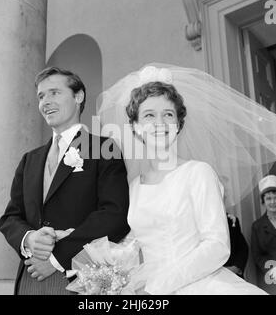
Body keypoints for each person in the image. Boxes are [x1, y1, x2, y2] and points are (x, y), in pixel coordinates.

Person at [97, 64, 276, 294]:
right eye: (149, 115)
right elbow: (136, 242)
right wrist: (105, 270)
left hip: (197, 285)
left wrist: (157, 287)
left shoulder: (199, 173)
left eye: (168, 115)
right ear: (135, 127)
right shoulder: (134, 186)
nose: (159, 123)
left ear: (179, 124)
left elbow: (217, 246)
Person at [0, 67, 130, 295]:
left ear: (78, 97)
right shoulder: (30, 159)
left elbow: (114, 216)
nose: (46, 102)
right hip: (31, 276)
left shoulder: (103, 149)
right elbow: (11, 217)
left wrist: (57, 258)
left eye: (54, 93)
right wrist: (28, 238)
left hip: (81, 278)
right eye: (41, 96)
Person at [251, 175, 276, 295]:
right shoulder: (257, 226)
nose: (273, 202)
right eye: (269, 198)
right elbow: (257, 256)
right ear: (263, 201)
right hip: (270, 279)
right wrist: (272, 269)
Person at [224, 213, 249, 278]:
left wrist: (236, 267)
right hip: (211, 276)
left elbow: (242, 248)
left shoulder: (231, 220)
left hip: (233, 273)